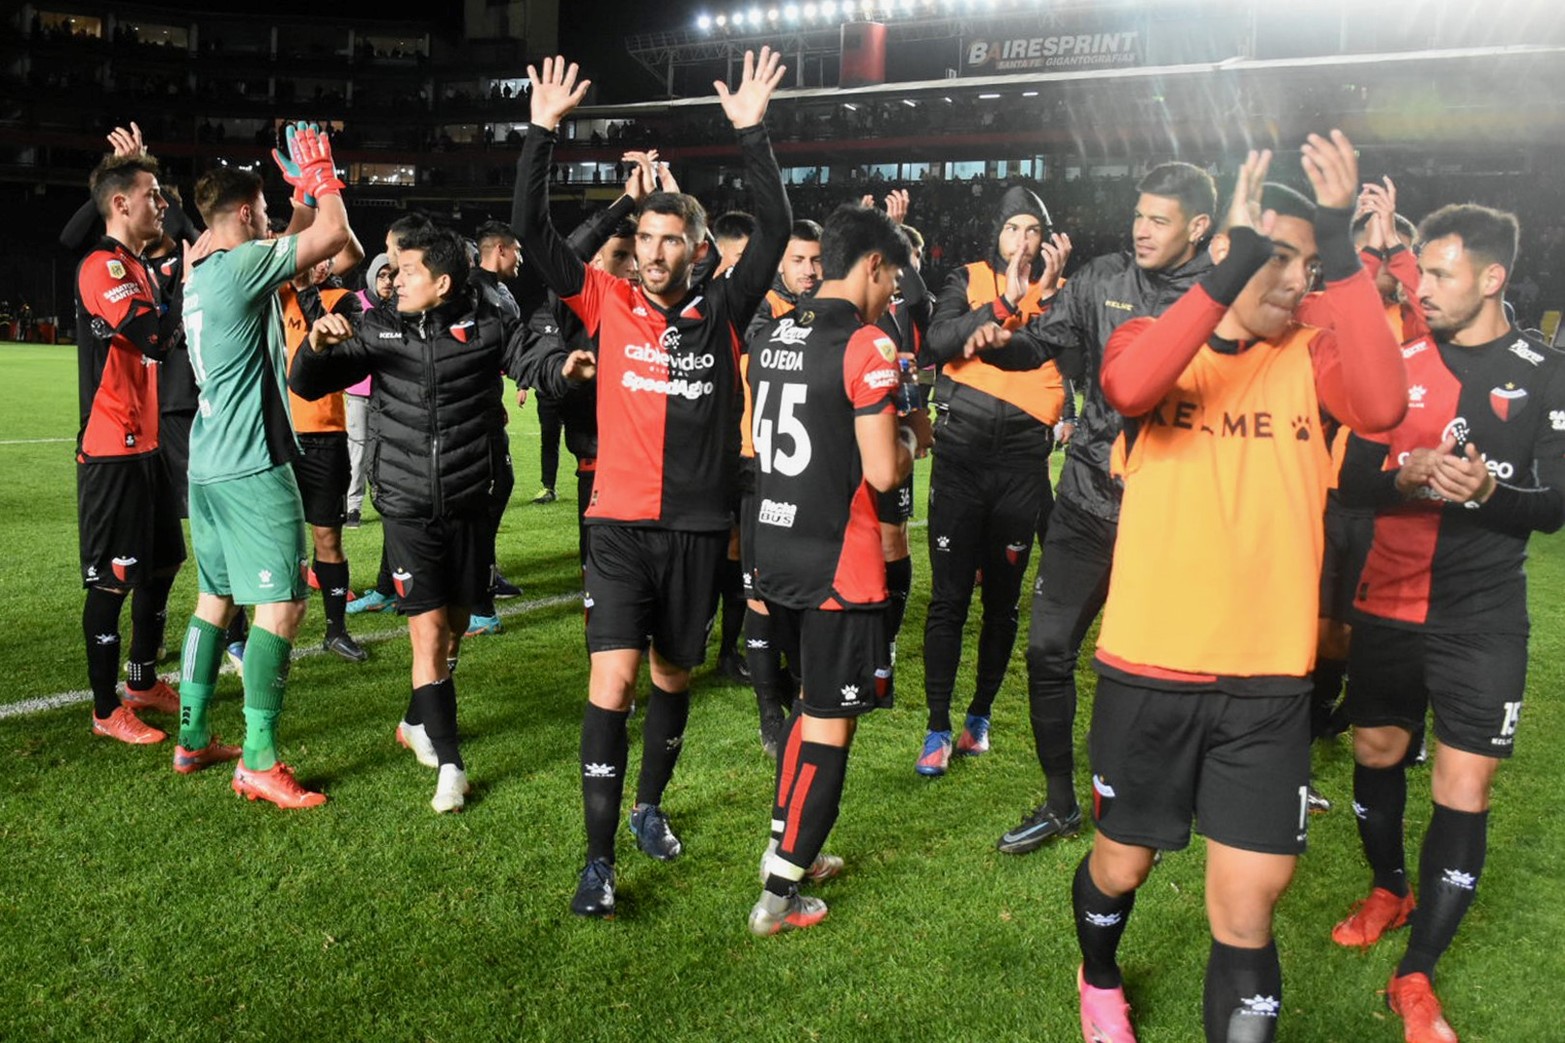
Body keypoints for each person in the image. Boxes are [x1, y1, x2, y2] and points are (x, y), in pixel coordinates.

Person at [1056, 136, 1406, 1043]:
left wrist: (1341, 244)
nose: (1293, 280)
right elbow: (1129, 382)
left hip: (1265, 688)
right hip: (1149, 671)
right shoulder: (1151, 339)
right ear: (1230, 250)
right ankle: (1099, 978)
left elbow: (1381, 406)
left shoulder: (1312, 358)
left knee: (1247, 908)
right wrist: (1240, 254)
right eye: (1273, 257)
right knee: (1120, 865)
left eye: (1305, 261)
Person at [515, 51, 791, 918]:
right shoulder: (604, 299)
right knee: (615, 682)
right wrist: (540, 133)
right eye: (646, 240)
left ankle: (647, 804)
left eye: (674, 239)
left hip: (699, 529)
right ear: (632, 249)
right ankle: (596, 862)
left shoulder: (723, 310)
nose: (657, 253)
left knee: (673, 678)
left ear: (697, 249)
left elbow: (777, 231)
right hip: (619, 528)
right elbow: (532, 234)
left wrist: (752, 131)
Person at [1332, 203, 1565, 1043]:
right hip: (1390, 598)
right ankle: (1389, 884)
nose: (1420, 287)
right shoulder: (1395, 362)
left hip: (1483, 616)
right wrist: (1405, 477)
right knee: (1376, 750)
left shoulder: (1545, 369)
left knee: (1462, 786)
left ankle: (1417, 969)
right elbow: (1349, 480)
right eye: (1418, 272)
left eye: (1438, 274)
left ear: (1491, 277)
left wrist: (1488, 493)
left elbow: (1555, 507)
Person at [980, 162, 1219, 854]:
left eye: (1158, 220)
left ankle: (1184, 788)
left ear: (1197, 228)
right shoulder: (1101, 278)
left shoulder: (1217, 294)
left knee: (1172, 667)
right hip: (1085, 501)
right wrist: (1001, 334)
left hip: (1171, 517)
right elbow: (1041, 344)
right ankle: (1059, 803)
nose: (1140, 230)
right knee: (1047, 648)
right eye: (1138, 216)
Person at [292, 223, 524, 813]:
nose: (394, 279)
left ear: (443, 282)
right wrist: (316, 345)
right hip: (406, 503)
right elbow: (305, 379)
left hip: (469, 498)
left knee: (454, 629)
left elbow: (533, 361)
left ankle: (417, 721)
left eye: (408, 270)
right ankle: (451, 765)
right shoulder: (378, 326)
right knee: (426, 636)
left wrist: (564, 369)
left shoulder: (489, 323)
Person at [746, 204, 932, 934]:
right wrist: (919, 438)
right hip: (839, 559)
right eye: (893, 281)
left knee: (806, 707)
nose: (892, 296)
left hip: (776, 545)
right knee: (829, 723)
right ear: (875, 266)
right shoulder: (867, 345)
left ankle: (786, 845)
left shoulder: (772, 334)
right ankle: (779, 893)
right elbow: (882, 471)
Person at [172, 122, 352, 806]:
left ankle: (192, 738)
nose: (272, 223)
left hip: (207, 465)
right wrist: (325, 172)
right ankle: (259, 757)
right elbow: (328, 236)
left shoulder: (203, 267)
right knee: (281, 606)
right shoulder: (244, 264)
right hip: (251, 467)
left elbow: (292, 240)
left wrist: (298, 192)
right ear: (244, 214)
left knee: (213, 602)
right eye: (265, 213)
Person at [915, 186, 1071, 777]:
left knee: (1002, 603)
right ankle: (935, 725)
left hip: (1021, 469)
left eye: (1034, 230)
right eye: (1014, 229)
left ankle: (977, 718)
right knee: (950, 600)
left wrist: (1001, 331)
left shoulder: (1059, 296)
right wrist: (999, 310)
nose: (1023, 240)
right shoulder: (968, 277)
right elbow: (938, 342)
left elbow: (1044, 352)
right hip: (960, 461)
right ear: (997, 235)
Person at [73, 148, 186, 743]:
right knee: (113, 578)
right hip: (109, 450)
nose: (163, 204)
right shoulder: (104, 267)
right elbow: (153, 338)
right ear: (121, 204)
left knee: (164, 562)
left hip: (145, 445)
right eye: (153, 195)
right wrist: (189, 289)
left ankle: (142, 679)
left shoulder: (139, 266)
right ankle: (103, 709)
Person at [279, 258, 368, 662]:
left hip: (326, 436)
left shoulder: (344, 301)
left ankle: (335, 630)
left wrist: (307, 288)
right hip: (275, 435)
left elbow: (351, 246)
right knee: (272, 542)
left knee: (328, 538)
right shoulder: (277, 295)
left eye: (326, 257)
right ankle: (258, 634)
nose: (320, 264)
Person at [345, 252, 394, 527]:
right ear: (372, 276)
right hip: (360, 390)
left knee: (387, 450)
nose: (387, 281)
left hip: (389, 391)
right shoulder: (357, 303)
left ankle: (386, 499)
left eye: (391, 275)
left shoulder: (400, 306)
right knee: (359, 450)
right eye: (382, 275)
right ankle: (353, 507)